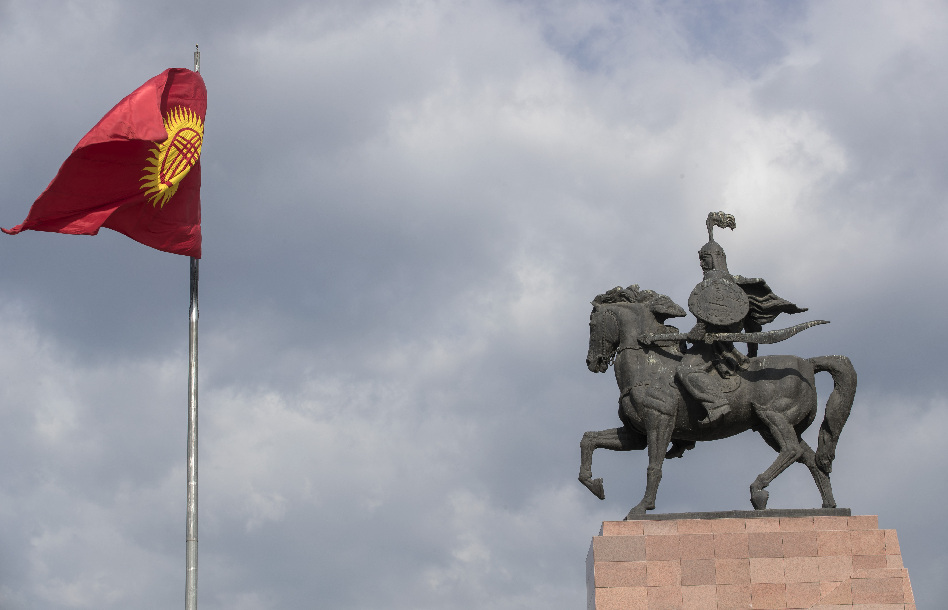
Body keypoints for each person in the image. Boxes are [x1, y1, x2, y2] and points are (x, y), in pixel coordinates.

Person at [677, 213, 807, 425]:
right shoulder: (731, 285)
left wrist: (699, 331)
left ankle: (717, 405)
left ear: (715, 258)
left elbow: (715, 319)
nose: (701, 263)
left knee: (686, 370)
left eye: (704, 258)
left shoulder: (722, 287)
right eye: (700, 259)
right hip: (711, 343)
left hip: (715, 347)